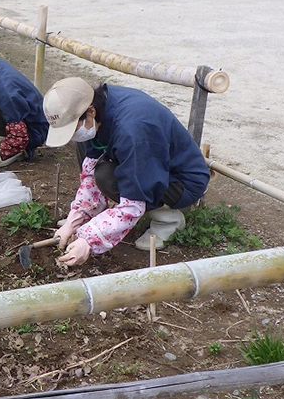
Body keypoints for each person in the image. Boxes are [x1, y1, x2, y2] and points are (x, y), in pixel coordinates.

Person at [43, 77, 210, 267]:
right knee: (92, 160)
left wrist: (89, 240)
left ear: (90, 111)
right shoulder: (100, 108)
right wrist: (76, 219)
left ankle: (168, 218)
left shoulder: (134, 132)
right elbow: (89, 170)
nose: (73, 135)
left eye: (73, 129)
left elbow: (132, 205)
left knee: (106, 177)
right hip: (152, 161)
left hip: (182, 181)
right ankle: (103, 217)